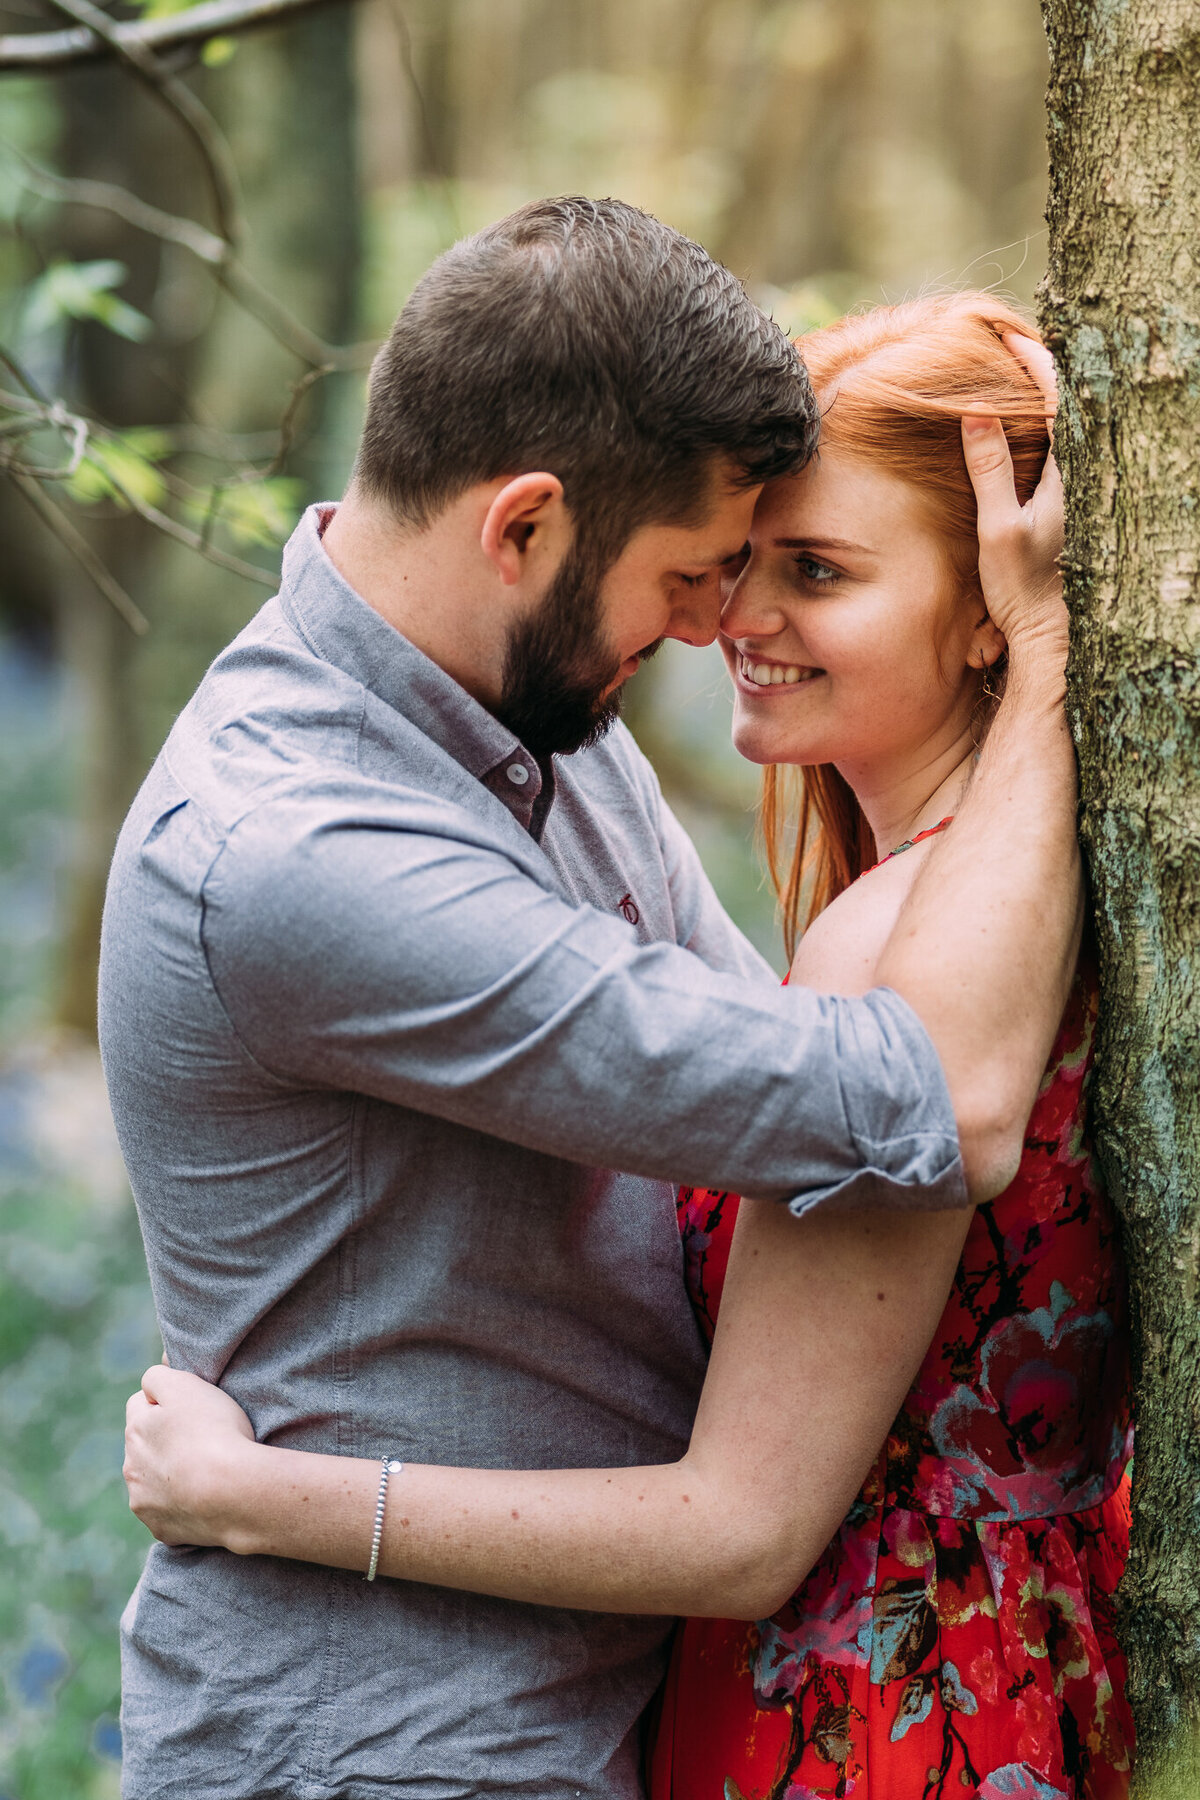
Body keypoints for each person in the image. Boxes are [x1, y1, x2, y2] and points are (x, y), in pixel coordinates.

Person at [106, 197, 1078, 1800]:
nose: (717, 629)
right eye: (698, 574)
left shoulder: (550, 720)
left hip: (594, 1708)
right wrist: (1036, 656)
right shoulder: (298, 852)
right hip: (389, 1740)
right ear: (527, 528)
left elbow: (771, 1086)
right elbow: (920, 1103)